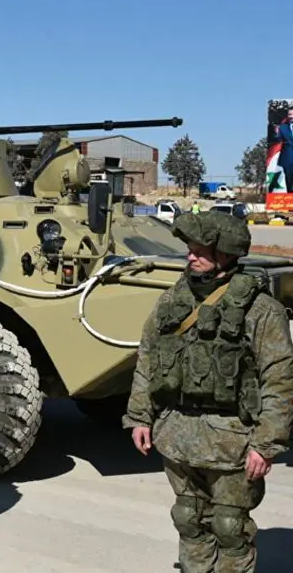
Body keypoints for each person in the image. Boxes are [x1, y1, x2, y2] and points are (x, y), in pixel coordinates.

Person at [124, 211, 293, 573]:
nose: (190, 256)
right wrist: (139, 417)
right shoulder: (172, 301)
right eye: (190, 249)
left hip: (233, 441)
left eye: (200, 251)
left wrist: (266, 443)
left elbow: (279, 378)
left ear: (227, 253)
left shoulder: (260, 310)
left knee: (230, 528)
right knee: (189, 520)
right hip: (177, 435)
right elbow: (148, 359)